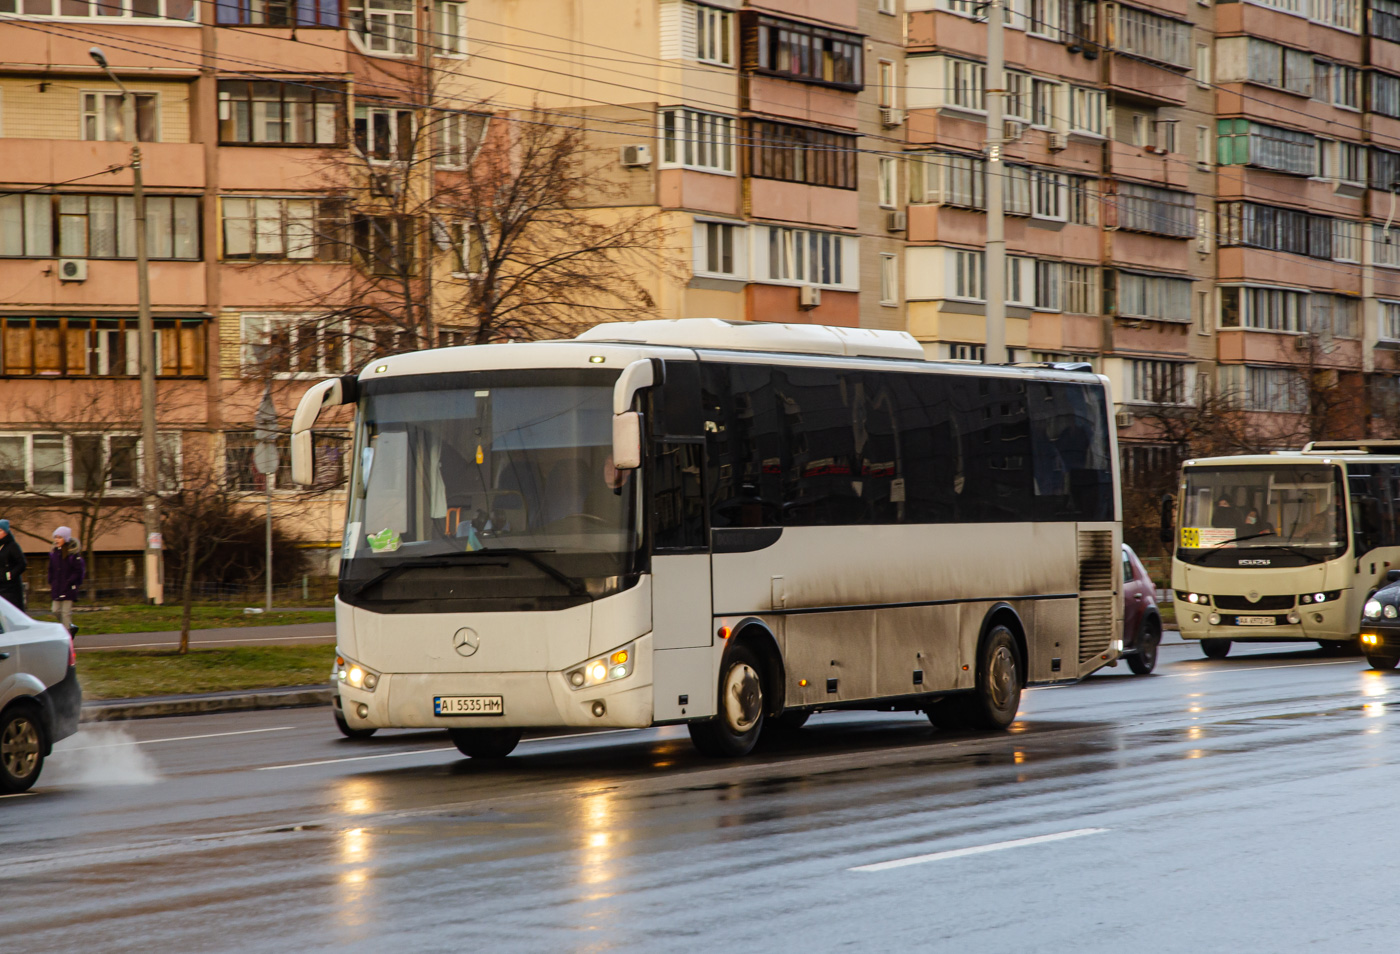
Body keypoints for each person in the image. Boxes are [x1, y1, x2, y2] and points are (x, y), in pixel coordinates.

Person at [48, 526, 85, 637]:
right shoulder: (54, 554)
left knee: (65, 613)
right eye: (56, 537)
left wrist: (69, 582)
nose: (57, 540)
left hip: (68, 588)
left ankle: (67, 635)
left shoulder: (72, 556)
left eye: (59, 537)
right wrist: (51, 581)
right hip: (57, 587)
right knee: (55, 610)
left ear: (66, 539)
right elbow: (51, 569)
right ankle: (70, 626)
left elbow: (78, 571)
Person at [0, 518, 27, 611]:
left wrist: (9, 575)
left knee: (10, 613)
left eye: (0, 530)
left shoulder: (12, 546)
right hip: (1, 585)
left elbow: (22, 564)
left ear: (6, 532)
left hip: (10, 588)